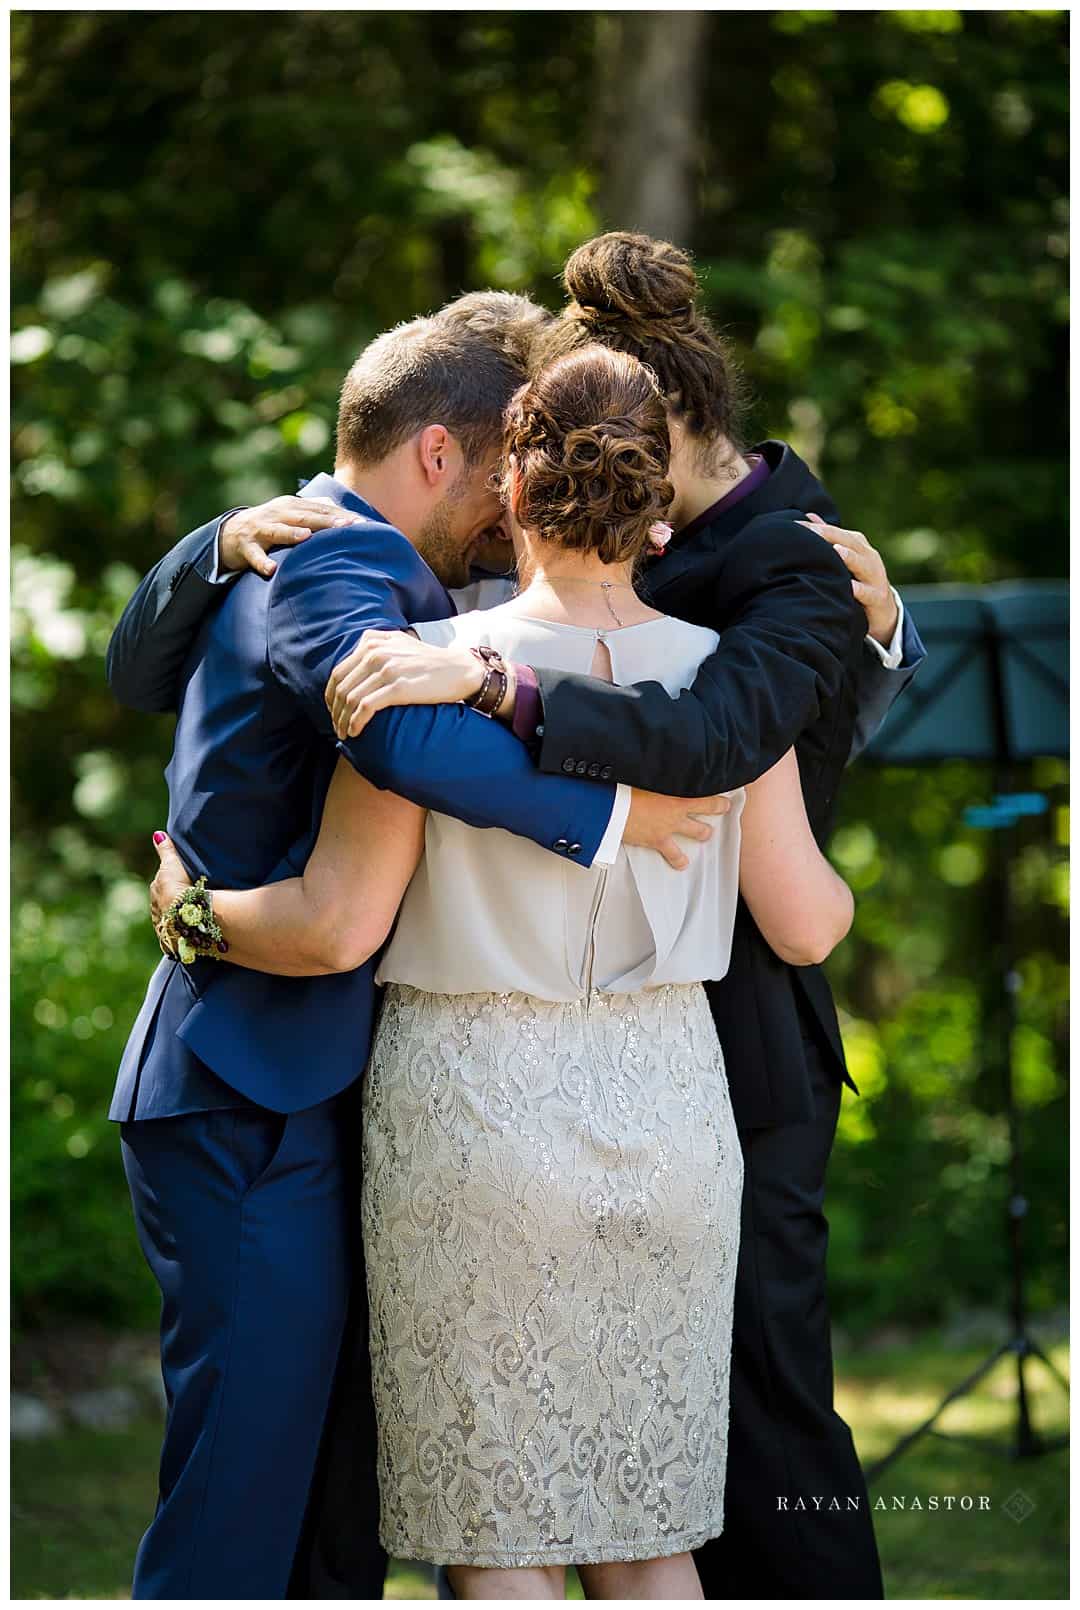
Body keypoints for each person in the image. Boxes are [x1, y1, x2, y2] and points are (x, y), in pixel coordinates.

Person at [107, 263, 924, 1598]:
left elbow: (342, 914)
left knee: (498, 1544)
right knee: (654, 1537)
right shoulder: (725, 681)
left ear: (522, 492)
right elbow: (810, 916)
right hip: (669, 1109)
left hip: (473, 1115)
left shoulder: (426, 657)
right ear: (655, 512)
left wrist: (191, 907)